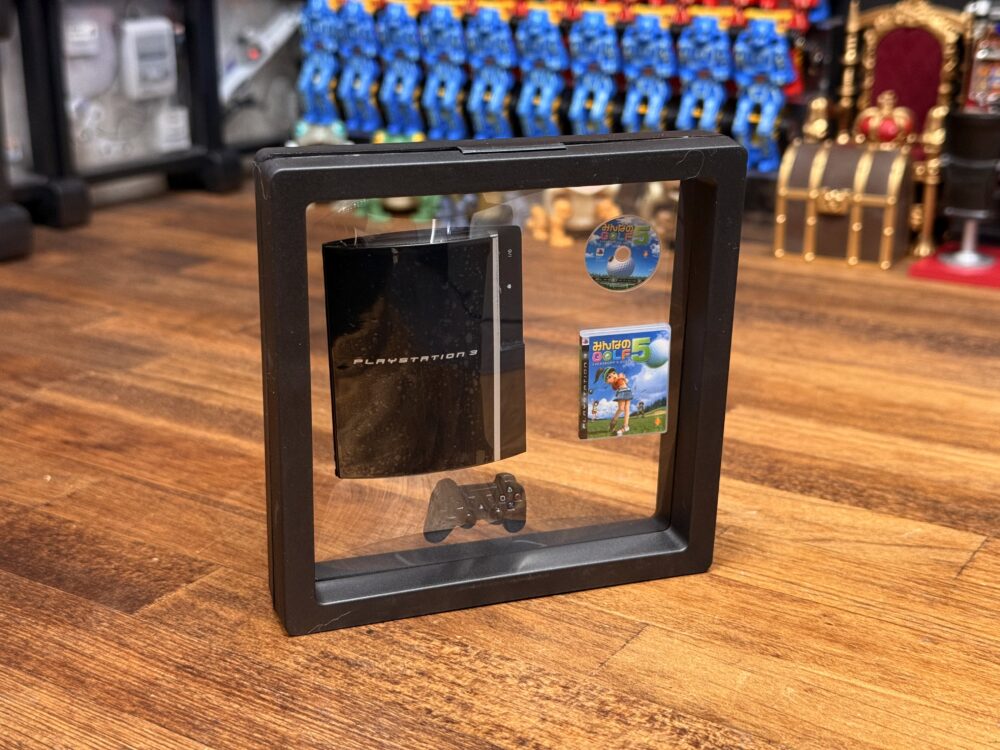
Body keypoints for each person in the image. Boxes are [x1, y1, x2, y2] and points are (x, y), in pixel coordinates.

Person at [604, 369, 632, 436]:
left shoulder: (620, 377)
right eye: (609, 376)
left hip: (628, 391)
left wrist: (623, 378)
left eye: (614, 373)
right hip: (621, 392)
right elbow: (614, 387)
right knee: (621, 408)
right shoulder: (614, 384)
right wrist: (614, 380)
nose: (613, 375)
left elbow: (627, 381)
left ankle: (625, 426)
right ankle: (612, 423)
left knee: (627, 409)